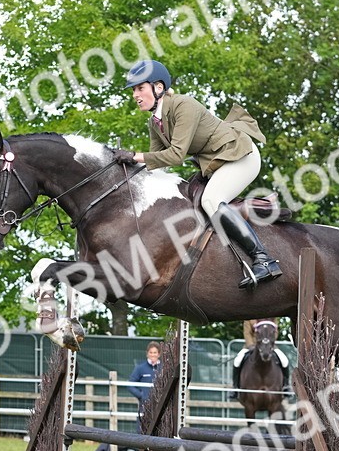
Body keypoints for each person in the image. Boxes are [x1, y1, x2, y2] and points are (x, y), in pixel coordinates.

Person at [114, 59, 280, 289]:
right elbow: (156, 162)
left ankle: (264, 259)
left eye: (140, 88)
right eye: (134, 90)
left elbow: (175, 156)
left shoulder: (184, 105)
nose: (135, 95)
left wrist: (134, 155)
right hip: (218, 163)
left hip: (241, 155)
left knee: (210, 200)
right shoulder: (155, 122)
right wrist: (124, 171)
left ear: (158, 87)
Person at [229, 318, 289, 399]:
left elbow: (275, 332)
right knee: (237, 361)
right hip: (252, 346)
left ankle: (286, 386)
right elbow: (247, 333)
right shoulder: (249, 318)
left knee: (284, 360)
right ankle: (235, 387)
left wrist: (269, 343)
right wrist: (251, 345)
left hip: (269, 346)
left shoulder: (273, 317)